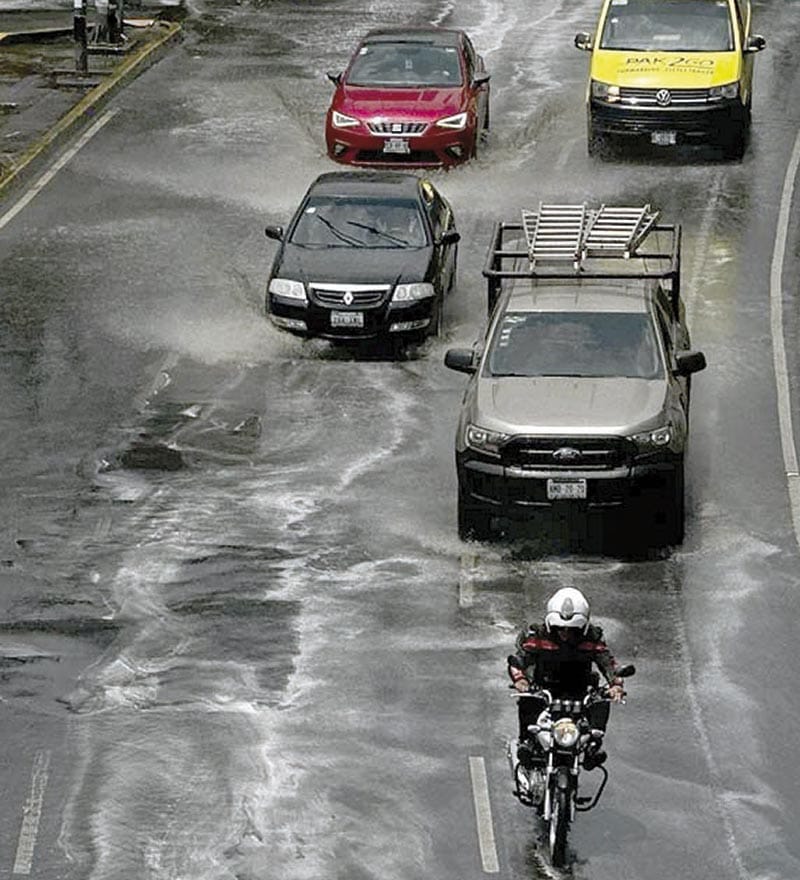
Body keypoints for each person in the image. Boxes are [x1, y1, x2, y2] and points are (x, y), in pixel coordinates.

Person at [508, 587, 626, 770]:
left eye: (572, 630)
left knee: (602, 700)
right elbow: (519, 660)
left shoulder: (593, 637)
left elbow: (608, 663)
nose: (565, 633)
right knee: (527, 699)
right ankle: (527, 742)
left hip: (579, 691)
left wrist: (615, 685)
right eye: (560, 628)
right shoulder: (536, 635)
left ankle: (593, 745)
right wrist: (520, 680)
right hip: (544, 689)